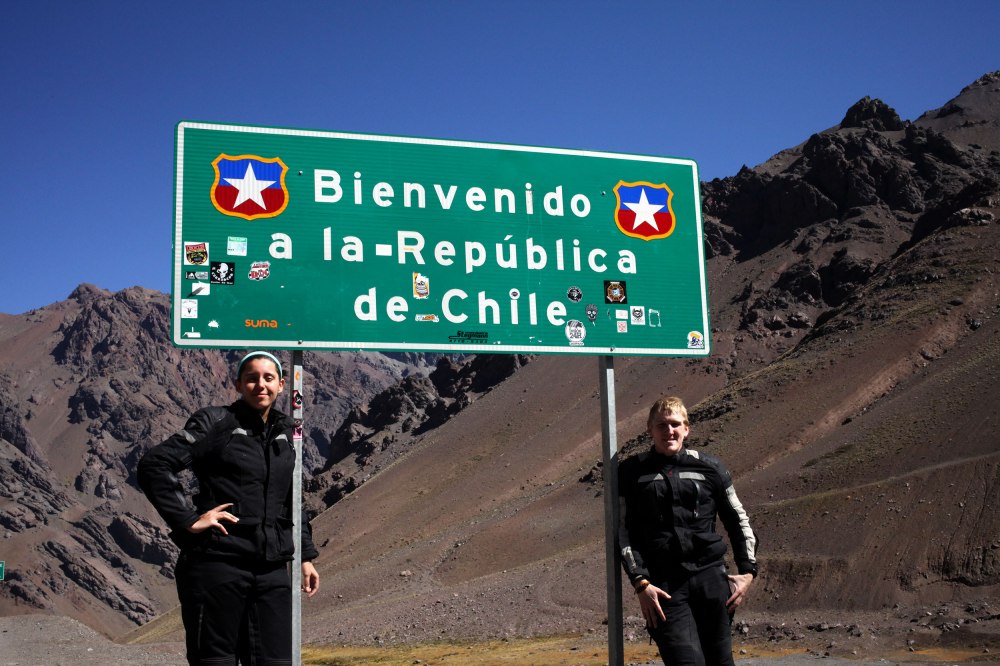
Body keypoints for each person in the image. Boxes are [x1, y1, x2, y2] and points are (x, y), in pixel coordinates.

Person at [138, 350, 319, 665]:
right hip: (217, 564)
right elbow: (155, 464)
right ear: (238, 384)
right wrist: (189, 519)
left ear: (281, 385)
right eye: (251, 378)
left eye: (268, 378)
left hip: (272, 568)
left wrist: (305, 558)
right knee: (215, 660)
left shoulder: (288, 434)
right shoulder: (215, 422)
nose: (260, 385)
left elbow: (291, 498)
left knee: (276, 660)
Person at [617, 396, 758, 666]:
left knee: (721, 661)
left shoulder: (710, 468)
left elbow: (738, 519)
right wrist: (640, 582)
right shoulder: (631, 472)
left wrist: (748, 571)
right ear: (650, 430)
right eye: (661, 425)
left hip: (711, 580)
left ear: (686, 428)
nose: (668, 431)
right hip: (663, 587)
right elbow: (624, 531)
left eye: (675, 424)